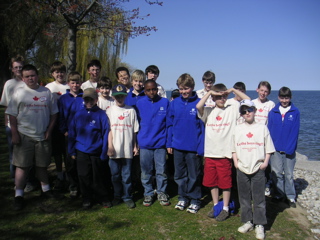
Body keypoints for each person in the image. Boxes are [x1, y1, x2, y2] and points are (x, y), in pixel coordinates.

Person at [6, 64, 60, 211]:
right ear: (23, 78)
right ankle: (18, 195)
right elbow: (12, 114)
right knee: (22, 167)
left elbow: (54, 114)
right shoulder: (19, 93)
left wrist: (49, 130)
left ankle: (46, 190)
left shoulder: (46, 92)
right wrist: (15, 133)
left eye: (33, 75)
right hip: (24, 135)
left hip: (43, 135)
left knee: (42, 165)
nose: (31, 78)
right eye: (27, 76)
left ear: (38, 76)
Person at [196, 83, 250, 221]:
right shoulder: (208, 111)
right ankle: (216, 205)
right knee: (212, 182)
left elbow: (248, 100)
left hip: (225, 154)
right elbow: (198, 106)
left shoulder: (232, 110)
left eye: (224, 96)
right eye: (219, 97)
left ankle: (225, 207)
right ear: (214, 97)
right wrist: (211, 93)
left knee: (225, 183)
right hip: (210, 154)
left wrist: (232, 90)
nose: (222, 99)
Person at [232, 99, 275, 240]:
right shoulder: (237, 128)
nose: (247, 113)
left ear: (255, 110)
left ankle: (259, 224)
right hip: (242, 168)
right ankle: (248, 221)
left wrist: (265, 163)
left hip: (258, 167)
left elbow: (268, 148)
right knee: (244, 198)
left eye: (249, 110)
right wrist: (236, 163)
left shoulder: (262, 127)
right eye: (244, 111)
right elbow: (233, 148)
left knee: (259, 198)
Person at [68, 88, 112, 209]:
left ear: (96, 100)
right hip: (81, 150)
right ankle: (86, 198)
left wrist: (104, 152)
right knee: (83, 176)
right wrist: (71, 150)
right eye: (86, 99)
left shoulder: (101, 114)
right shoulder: (78, 114)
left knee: (98, 176)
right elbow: (72, 133)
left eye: (91, 99)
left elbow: (105, 133)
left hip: (96, 151)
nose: (89, 102)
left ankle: (103, 197)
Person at [167, 73, 204, 214]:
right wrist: (169, 143)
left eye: (186, 88)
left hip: (193, 147)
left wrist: (200, 147)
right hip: (177, 146)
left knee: (193, 175)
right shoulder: (174, 103)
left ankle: (195, 199)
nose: (184, 92)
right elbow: (169, 124)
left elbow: (202, 127)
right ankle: (183, 197)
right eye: (181, 89)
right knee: (179, 175)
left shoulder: (199, 103)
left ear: (192, 87)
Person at [136, 80, 170, 206]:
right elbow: (137, 123)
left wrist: (168, 142)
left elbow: (168, 123)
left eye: (154, 89)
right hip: (145, 143)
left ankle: (162, 192)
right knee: (146, 171)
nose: (152, 92)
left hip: (160, 143)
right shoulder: (139, 103)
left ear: (157, 89)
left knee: (161, 171)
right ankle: (148, 193)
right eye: (149, 90)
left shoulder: (165, 102)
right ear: (144, 91)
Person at [106, 84, 139, 208]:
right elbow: (109, 130)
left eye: (122, 96)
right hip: (114, 149)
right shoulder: (110, 110)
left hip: (127, 149)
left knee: (127, 176)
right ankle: (117, 196)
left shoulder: (131, 110)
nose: (120, 98)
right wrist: (110, 146)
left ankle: (127, 196)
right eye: (117, 96)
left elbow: (135, 130)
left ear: (125, 96)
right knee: (115, 175)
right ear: (114, 97)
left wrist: (135, 146)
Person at [268, 87, 300, 208]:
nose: (284, 100)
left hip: (289, 149)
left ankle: (290, 197)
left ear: (290, 98)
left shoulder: (295, 112)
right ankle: (278, 194)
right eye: (282, 98)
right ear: (278, 97)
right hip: (275, 149)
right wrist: (270, 146)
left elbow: (295, 132)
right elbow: (270, 130)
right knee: (276, 173)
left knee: (289, 174)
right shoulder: (273, 112)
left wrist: (290, 148)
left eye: (286, 98)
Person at [58, 71, 83, 198]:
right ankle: (72, 186)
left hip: (83, 135)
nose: (75, 85)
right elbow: (61, 116)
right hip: (69, 135)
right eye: (73, 82)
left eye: (77, 82)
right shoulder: (63, 99)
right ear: (68, 83)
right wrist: (64, 130)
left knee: (82, 162)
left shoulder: (84, 97)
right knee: (70, 162)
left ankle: (83, 186)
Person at [0, 55, 25, 181]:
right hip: (12, 124)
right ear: (12, 69)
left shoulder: (29, 81)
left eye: (21, 67)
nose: (19, 69)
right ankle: (13, 177)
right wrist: (6, 124)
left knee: (25, 153)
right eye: (16, 67)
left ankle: (26, 178)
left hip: (26, 124)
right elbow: (6, 105)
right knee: (13, 152)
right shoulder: (9, 84)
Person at [45, 61, 69, 190]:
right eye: (57, 72)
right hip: (55, 122)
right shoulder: (49, 87)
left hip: (67, 123)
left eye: (62, 71)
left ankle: (69, 175)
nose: (60, 74)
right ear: (53, 74)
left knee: (68, 151)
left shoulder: (69, 85)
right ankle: (59, 175)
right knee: (57, 152)